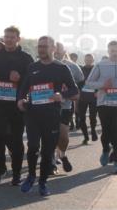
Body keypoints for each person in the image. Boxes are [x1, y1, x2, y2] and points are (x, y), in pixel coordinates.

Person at [17, 37, 79, 196]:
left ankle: (43, 182)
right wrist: (21, 100)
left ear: (53, 49)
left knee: (47, 151)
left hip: (51, 115)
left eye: (45, 46)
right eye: (39, 46)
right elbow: (24, 89)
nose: (41, 49)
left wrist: (62, 95)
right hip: (33, 114)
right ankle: (31, 176)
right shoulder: (32, 67)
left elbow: (75, 91)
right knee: (32, 147)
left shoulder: (62, 68)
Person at [0, 26, 35, 185]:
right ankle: (1, 167)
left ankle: (16, 173)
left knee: (16, 140)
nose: (8, 39)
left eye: (12, 37)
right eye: (6, 36)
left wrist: (20, 79)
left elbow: (32, 83)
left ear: (18, 39)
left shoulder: (26, 58)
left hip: (18, 105)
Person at [82, 40, 117, 170]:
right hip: (104, 103)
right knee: (106, 131)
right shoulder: (101, 65)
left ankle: (116, 161)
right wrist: (102, 85)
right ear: (108, 51)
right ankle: (106, 150)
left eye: (116, 50)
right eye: (112, 51)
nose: (115, 53)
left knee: (115, 130)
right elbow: (89, 82)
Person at [52, 41, 84, 173]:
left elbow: (80, 83)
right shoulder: (43, 65)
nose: (57, 52)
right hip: (47, 106)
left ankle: (62, 153)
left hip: (65, 105)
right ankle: (51, 161)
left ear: (64, 50)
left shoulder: (72, 66)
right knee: (49, 135)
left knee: (63, 136)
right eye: (55, 49)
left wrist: (75, 99)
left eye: (60, 49)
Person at [77, 53, 99, 144]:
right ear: (84, 60)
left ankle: (93, 130)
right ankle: (86, 137)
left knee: (92, 117)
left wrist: (97, 90)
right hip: (82, 97)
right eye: (87, 59)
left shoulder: (97, 69)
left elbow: (100, 81)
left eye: (90, 59)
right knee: (81, 118)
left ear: (93, 60)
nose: (88, 61)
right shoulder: (80, 69)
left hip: (94, 97)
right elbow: (76, 82)